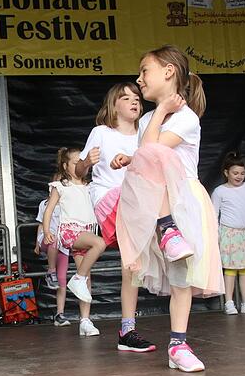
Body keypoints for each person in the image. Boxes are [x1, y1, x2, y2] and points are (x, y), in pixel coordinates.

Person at [116, 45, 224, 372]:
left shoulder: (187, 117)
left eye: (144, 71)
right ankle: (166, 228)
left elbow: (155, 151)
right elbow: (148, 152)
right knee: (149, 158)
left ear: (168, 71)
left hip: (184, 197)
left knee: (182, 275)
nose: (139, 79)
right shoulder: (151, 116)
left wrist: (163, 113)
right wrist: (160, 111)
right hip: (158, 200)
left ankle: (178, 344)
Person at [75, 82, 155, 352]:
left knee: (131, 266)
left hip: (134, 204)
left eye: (137, 97)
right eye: (126, 98)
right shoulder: (101, 132)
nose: (134, 101)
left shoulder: (144, 133)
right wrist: (87, 162)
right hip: (110, 198)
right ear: (114, 105)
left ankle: (127, 330)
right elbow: (79, 170)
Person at [44, 147, 106, 337]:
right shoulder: (60, 186)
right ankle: (77, 279)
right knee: (100, 244)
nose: (81, 165)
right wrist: (47, 230)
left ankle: (85, 321)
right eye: (76, 162)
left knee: (87, 278)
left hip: (87, 231)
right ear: (65, 165)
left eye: (83, 161)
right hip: (71, 231)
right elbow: (48, 210)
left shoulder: (90, 186)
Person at [210, 151, 245, 315]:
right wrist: (216, 235)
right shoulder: (220, 191)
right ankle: (229, 302)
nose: (239, 176)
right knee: (231, 269)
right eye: (235, 173)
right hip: (228, 234)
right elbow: (214, 213)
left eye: (242, 173)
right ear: (226, 173)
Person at [34, 184, 70, 326]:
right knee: (52, 239)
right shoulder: (44, 204)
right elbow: (41, 224)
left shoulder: (66, 205)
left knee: (62, 281)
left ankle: (59, 314)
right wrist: (37, 244)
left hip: (62, 244)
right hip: (46, 238)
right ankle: (51, 271)